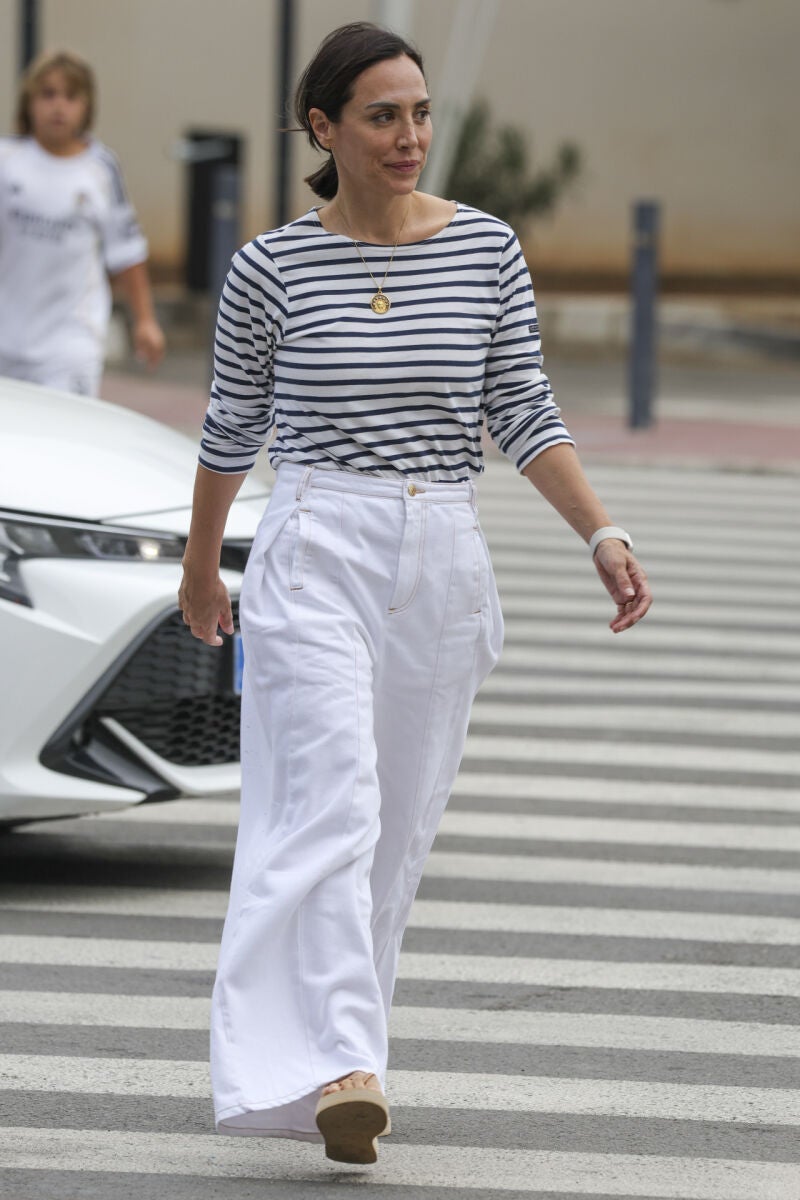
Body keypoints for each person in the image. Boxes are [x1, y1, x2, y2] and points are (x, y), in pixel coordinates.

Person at [178, 21, 652, 1166]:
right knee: (328, 804)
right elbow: (231, 425)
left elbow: (523, 410)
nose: (409, 136)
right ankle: (340, 1060)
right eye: (382, 115)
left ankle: (348, 1067)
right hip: (316, 539)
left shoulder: (484, 250)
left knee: (393, 831)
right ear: (323, 128)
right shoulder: (271, 268)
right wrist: (202, 565)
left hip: (441, 544)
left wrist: (601, 530)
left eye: (421, 113)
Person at [0, 49, 164, 397]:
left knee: (63, 443)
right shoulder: (8, 161)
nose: (58, 106)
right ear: (29, 101)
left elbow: (126, 251)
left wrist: (145, 321)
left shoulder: (101, 168)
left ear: (87, 106)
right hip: (7, 342)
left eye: (71, 96)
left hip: (69, 347)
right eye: (48, 94)